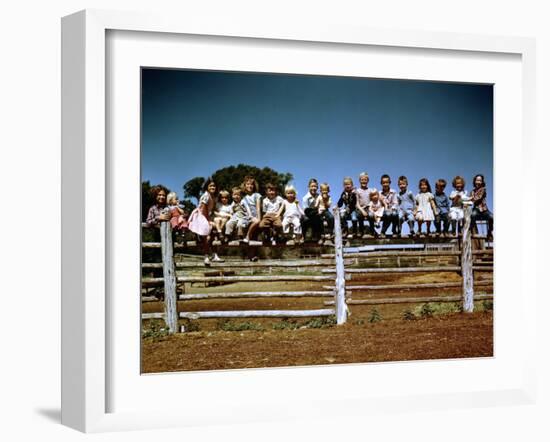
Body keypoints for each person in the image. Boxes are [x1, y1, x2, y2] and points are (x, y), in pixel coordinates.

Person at [188, 178, 224, 266]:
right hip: (201, 216)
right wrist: (208, 221)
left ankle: (214, 254)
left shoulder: (214, 197)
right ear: (207, 187)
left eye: (214, 186)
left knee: (214, 235)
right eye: (211, 186)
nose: (213, 187)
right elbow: (203, 209)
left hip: (208, 215)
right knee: (207, 235)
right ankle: (206, 256)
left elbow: (212, 209)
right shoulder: (206, 196)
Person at [470, 174, 493, 240]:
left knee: (492, 217)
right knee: (472, 215)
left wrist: (471, 199)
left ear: (482, 182)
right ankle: (471, 231)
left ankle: (490, 231)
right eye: (477, 180)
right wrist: (470, 199)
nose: (478, 182)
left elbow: (478, 197)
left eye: (480, 180)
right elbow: (471, 199)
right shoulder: (472, 191)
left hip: (484, 209)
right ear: (474, 181)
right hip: (476, 209)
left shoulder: (483, 189)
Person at [241, 175, 262, 244]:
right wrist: (250, 217)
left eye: (251, 184)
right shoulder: (244, 199)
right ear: (245, 186)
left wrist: (259, 218)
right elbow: (245, 210)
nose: (250, 186)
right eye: (248, 184)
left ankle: (248, 236)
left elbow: (258, 208)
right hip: (248, 216)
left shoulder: (257, 195)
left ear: (254, 186)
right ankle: (247, 235)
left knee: (255, 238)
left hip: (256, 215)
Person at [355, 172, 376, 237]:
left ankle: (372, 231)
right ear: (359, 181)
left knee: (371, 215)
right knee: (359, 215)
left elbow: (373, 200)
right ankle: (361, 231)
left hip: (368, 207)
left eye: (365, 180)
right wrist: (362, 210)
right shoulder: (357, 191)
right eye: (362, 180)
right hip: (360, 208)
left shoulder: (370, 190)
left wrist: (371, 207)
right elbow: (357, 203)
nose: (363, 181)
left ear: (368, 181)